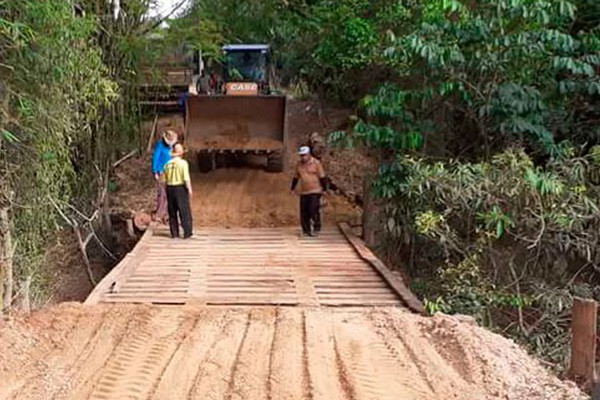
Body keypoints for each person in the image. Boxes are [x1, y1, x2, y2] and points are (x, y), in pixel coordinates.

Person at [290, 146, 328, 237]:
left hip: (315, 190)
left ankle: (316, 228)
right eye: (301, 155)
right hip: (304, 191)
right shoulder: (299, 164)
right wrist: (292, 188)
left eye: (305, 155)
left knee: (313, 209)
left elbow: (322, 177)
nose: (303, 157)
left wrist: (325, 189)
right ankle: (306, 230)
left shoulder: (316, 163)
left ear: (309, 154)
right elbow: (296, 177)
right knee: (304, 211)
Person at [164, 143, 193, 239]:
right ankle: (187, 232)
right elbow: (186, 178)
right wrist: (189, 189)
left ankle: (174, 233)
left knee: (172, 212)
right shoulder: (183, 163)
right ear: (181, 153)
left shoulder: (167, 165)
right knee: (184, 211)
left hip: (169, 188)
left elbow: (164, 179)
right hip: (180, 188)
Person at [151, 130, 178, 223]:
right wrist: (155, 171)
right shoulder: (160, 145)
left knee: (169, 193)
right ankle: (159, 213)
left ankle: (167, 214)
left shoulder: (171, 147)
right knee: (162, 193)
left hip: (171, 171)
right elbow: (155, 158)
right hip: (162, 172)